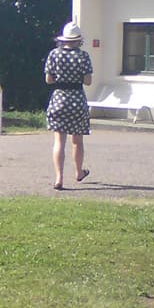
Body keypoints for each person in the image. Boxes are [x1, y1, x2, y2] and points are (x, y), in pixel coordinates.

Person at [44, 22, 93, 190]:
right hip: (77, 100)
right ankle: (79, 172)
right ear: (78, 40)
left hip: (59, 99)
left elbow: (48, 80)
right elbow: (88, 81)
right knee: (77, 141)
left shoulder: (53, 54)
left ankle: (59, 178)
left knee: (59, 141)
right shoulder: (83, 56)